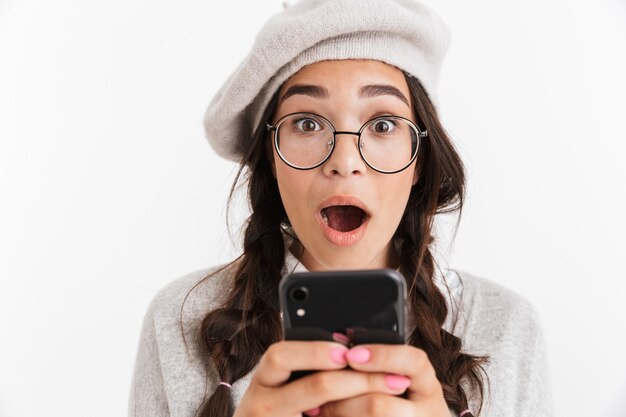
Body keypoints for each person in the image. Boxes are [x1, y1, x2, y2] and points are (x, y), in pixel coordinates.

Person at [128, 1, 553, 416]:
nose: (344, 161)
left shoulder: (511, 328)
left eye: (383, 124)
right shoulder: (178, 322)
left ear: (419, 159)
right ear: (272, 159)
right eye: (307, 123)